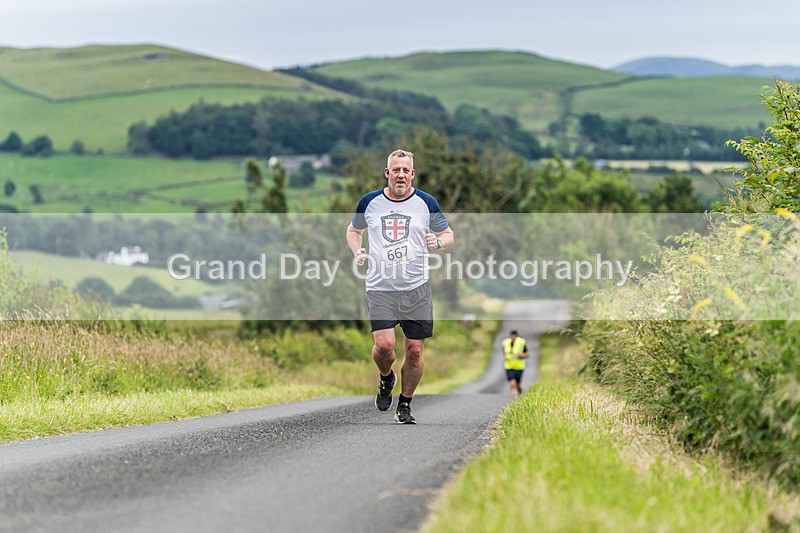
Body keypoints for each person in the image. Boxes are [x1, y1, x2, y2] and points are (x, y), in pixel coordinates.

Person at [346, 149, 454, 424]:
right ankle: (386, 378)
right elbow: (353, 230)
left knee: (415, 350)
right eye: (396, 170)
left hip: (416, 287)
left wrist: (438, 243)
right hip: (380, 286)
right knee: (384, 346)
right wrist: (358, 251)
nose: (401, 175)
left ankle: (404, 404)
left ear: (413, 174)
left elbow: (448, 234)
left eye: (406, 170)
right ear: (387, 173)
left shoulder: (426, 202)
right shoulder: (369, 202)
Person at [502, 330, 530, 395]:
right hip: (509, 366)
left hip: (519, 367)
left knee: (517, 384)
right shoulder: (505, 343)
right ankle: (512, 398)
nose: (513, 339)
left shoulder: (521, 343)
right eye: (512, 337)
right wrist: (505, 357)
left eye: (515, 338)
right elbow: (504, 353)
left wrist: (519, 354)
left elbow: (527, 354)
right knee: (512, 383)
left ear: (517, 337)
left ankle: (520, 393)